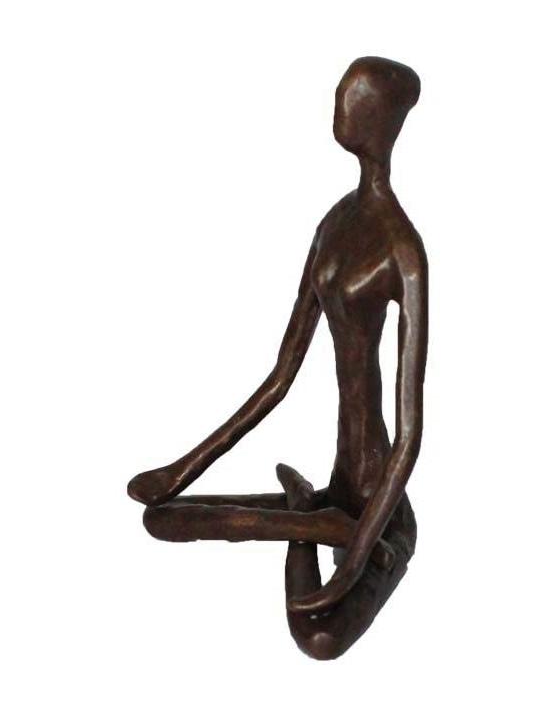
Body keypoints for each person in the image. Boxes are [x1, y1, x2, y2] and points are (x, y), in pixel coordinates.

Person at [128, 56, 428, 659]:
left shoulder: (403, 251)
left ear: (383, 119)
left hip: (380, 506)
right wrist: (180, 472)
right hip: (340, 485)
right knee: (162, 519)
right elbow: (279, 378)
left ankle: (312, 518)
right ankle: (312, 516)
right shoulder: (334, 225)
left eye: (353, 95)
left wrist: (353, 561)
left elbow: (409, 436)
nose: (340, 103)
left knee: (318, 637)